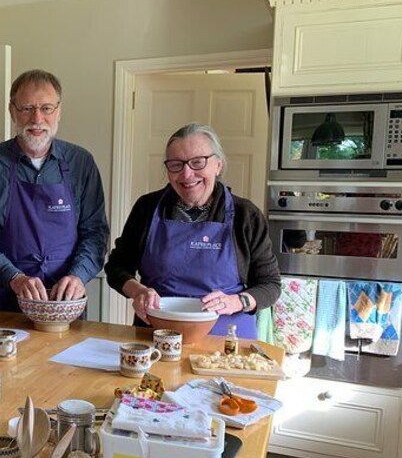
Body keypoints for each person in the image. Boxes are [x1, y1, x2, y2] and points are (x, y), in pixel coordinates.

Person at [104, 123, 281, 338]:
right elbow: (116, 267)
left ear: (218, 165)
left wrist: (236, 301)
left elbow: (269, 284)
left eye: (198, 162)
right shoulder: (147, 208)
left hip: (225, 342)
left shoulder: (246, 215)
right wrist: (138, 291)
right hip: (157, 338)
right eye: (176, 165)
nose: (187, 175)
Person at [0, 69, 109, 311]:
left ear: (59, 111)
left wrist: (78, 276)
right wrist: (15, 278)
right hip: (6, 298)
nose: (37, 118)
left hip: (65, 303)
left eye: (46, 108)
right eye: (27, 108)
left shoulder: (81, 162)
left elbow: (94, 233)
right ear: (12, 111)